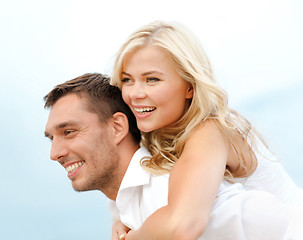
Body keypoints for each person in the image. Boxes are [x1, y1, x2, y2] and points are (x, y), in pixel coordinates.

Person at [44, 73, 300, 240]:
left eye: (69, 132)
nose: (55, 153)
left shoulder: (170, 191)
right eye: (52, 138)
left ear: (118, 128)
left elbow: (279, 225)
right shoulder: (129, 203)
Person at [110, 20, 303, 238]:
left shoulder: (211, 129)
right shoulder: (161, 137)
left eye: (152, 79)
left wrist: (132, 236)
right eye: (127, 79)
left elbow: (184, 224)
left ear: (189, 87)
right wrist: (123, 217)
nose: (135, 93)